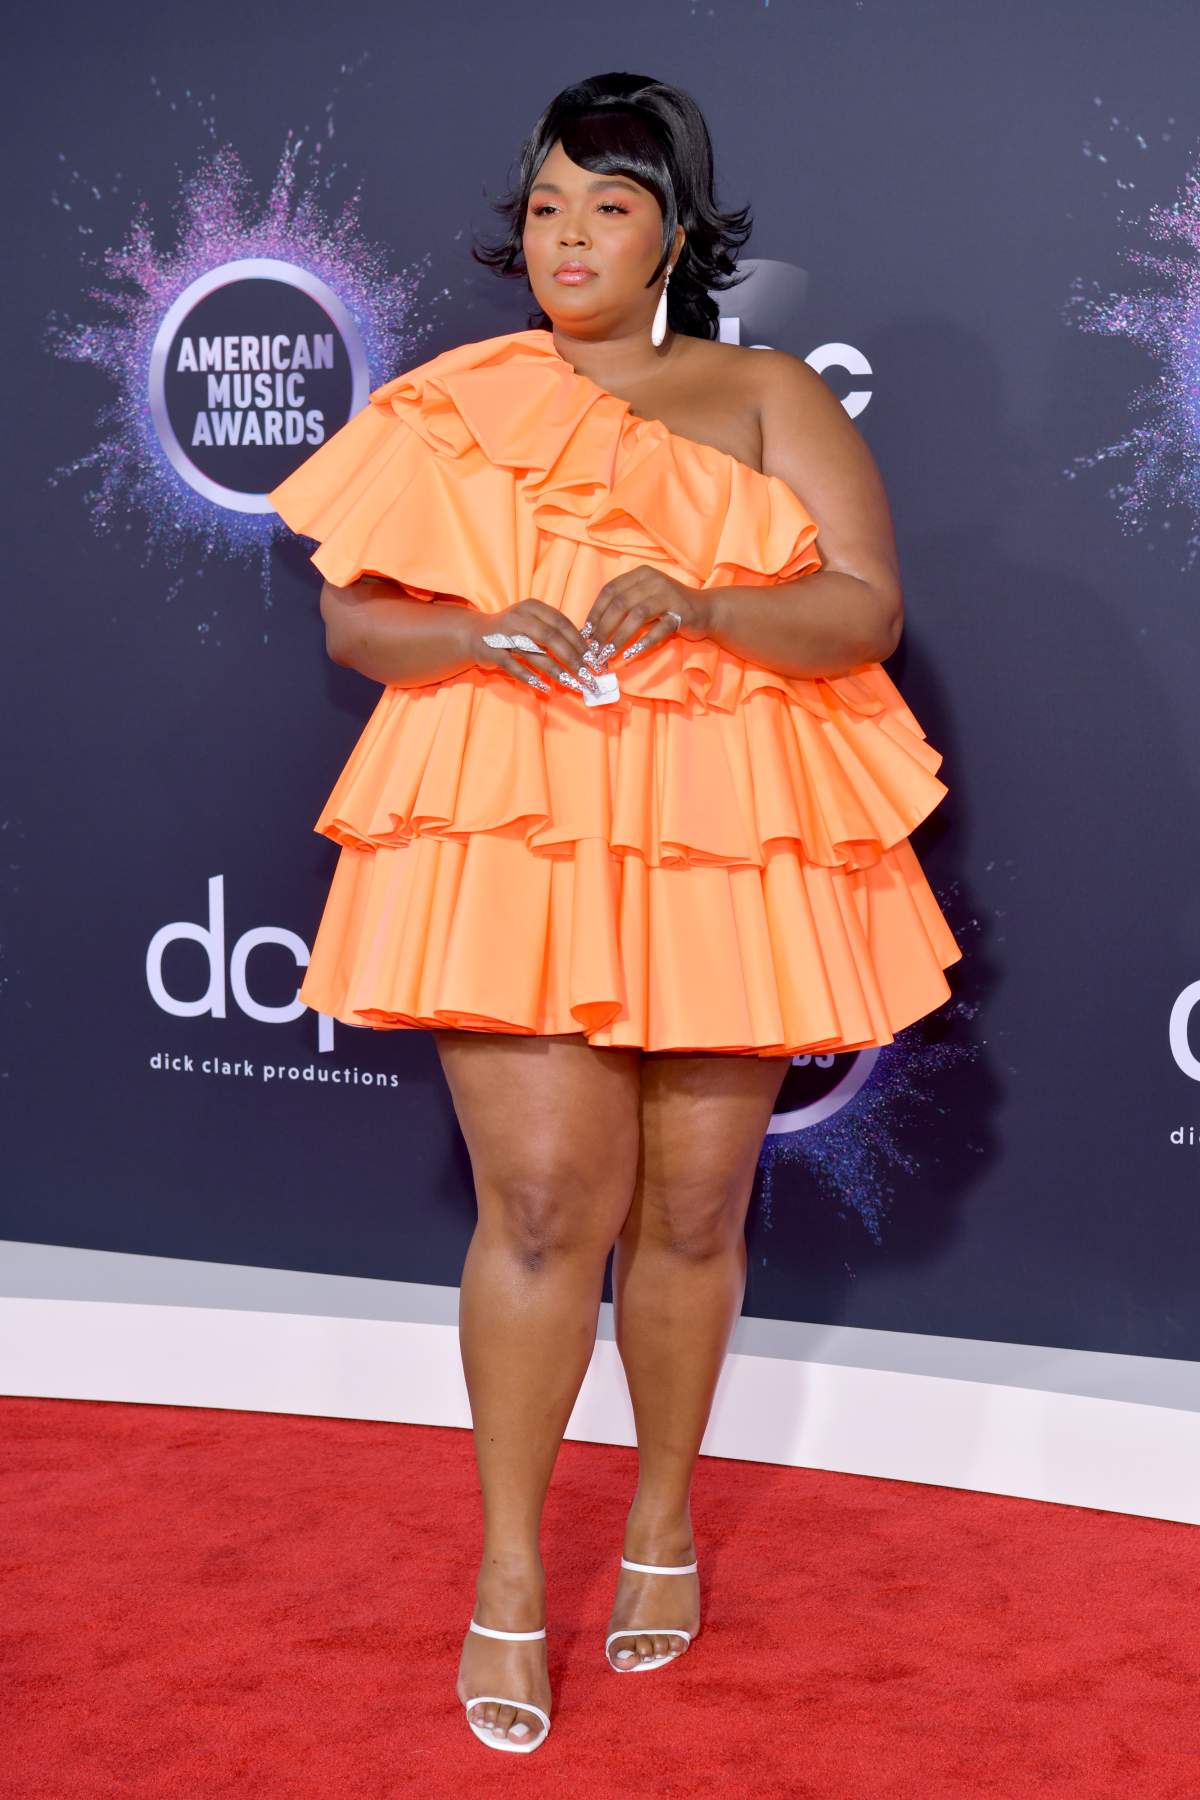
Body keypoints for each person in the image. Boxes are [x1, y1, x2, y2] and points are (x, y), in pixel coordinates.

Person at [268, 71, 962, 1757]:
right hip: (508, 820)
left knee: (698, 1207)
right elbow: (356, 628)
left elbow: (862, 609)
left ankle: (662, 1520)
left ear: (677, 232)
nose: (569, 239)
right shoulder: (448, 404)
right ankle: (509, 1576)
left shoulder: (761, 391)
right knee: (533, 1202)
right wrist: (479, 632)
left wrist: (705, 599)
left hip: (721, 826)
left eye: (611, 208)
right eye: (548, 208)